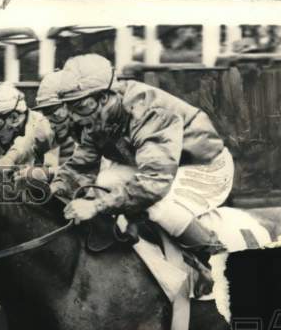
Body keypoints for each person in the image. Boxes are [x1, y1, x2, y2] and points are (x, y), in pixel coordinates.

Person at [51, 54, 229, 268]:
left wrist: (96, 206)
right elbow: (80, 168)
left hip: (206, 167)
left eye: (80, 107)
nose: (75, 118)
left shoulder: (146, 111)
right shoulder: (96, 116)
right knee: (104, 180)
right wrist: (49, 192)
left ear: (105, 97)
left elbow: (154, 183)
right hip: (158, 166)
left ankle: (216, 255)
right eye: (70, 108)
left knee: (155, 204)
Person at [0, 82, 59, 172]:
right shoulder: (14, 132)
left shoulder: (41, 125)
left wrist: (8, 159)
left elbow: (26, 142)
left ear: (14, 118)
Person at [32, 70, 77, 168]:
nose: (51, 124)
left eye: (56, 115)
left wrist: (47, 173)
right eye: (46, 115)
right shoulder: (48, 135)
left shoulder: (94, 129)